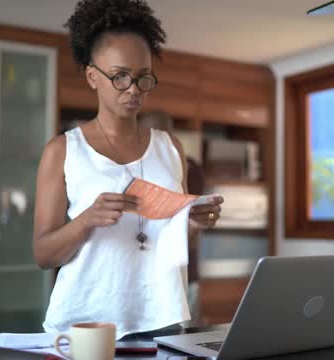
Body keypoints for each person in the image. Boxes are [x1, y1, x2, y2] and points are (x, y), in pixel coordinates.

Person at [32, 0, 223, 339]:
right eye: (119, 76)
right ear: (93, 76)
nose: (133, 90)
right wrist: (87, 219)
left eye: (142, 78)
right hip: (87, 322)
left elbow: (167, 244)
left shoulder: (170, 147)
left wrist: (192, 224)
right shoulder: (63, 151)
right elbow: (44, 255)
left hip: (163, 317)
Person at [138, 110, 207, 326]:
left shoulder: (188, 167)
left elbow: (186, 217)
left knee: (181, 335)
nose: (156, 141)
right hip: (141, 272)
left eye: (163, 133)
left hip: (181, 269)